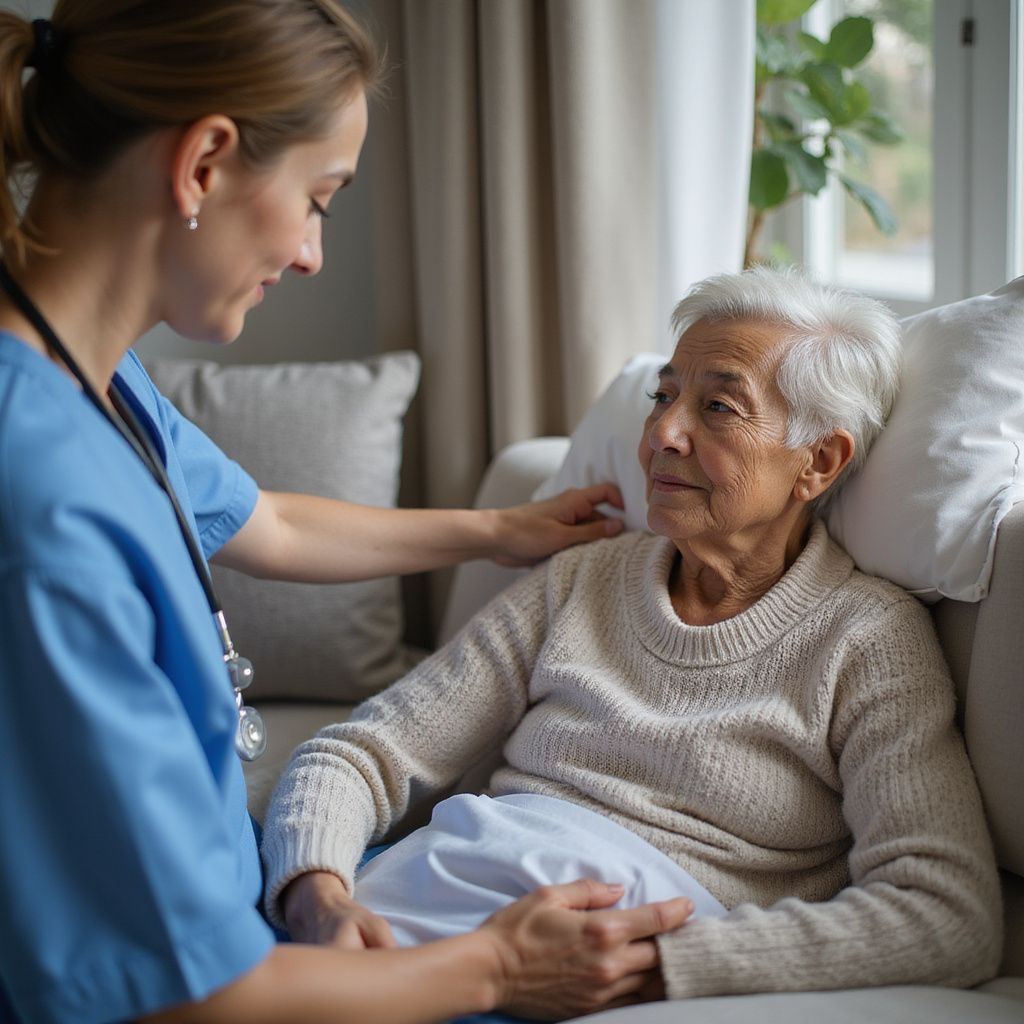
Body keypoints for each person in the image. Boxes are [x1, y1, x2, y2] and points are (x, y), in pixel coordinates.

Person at [0, 4, 696, 1023]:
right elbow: (194, 995)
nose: (315, 251)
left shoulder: (92, 387)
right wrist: (498, 967)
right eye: (318, 199)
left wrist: (498, 530)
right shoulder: (42, 500)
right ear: (204, 163)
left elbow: (267, 524)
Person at [263, 267, 1003, 1010]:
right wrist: (318, 897)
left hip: (526, 984)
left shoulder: (866, 639)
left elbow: (946, 914)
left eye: (717, 407)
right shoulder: (582, 581)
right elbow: (359, 753)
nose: (662, 433)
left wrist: (652, 963)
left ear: (818, 462)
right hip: (394, 910)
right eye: (663, 395)